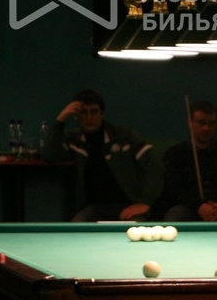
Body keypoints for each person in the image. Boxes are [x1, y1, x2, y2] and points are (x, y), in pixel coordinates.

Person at [42, 89, 162, 222]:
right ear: (76, 116)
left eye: (94, 111)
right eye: (83, 112)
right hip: (93, 207)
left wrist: (145, 202)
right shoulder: (75, 140)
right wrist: (61, 119)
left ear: (102, 114)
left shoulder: (124, 136)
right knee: (77, 226)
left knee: (135, 229)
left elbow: (154, 166)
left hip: (128, 205)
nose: (89, 117)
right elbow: (49, 155)